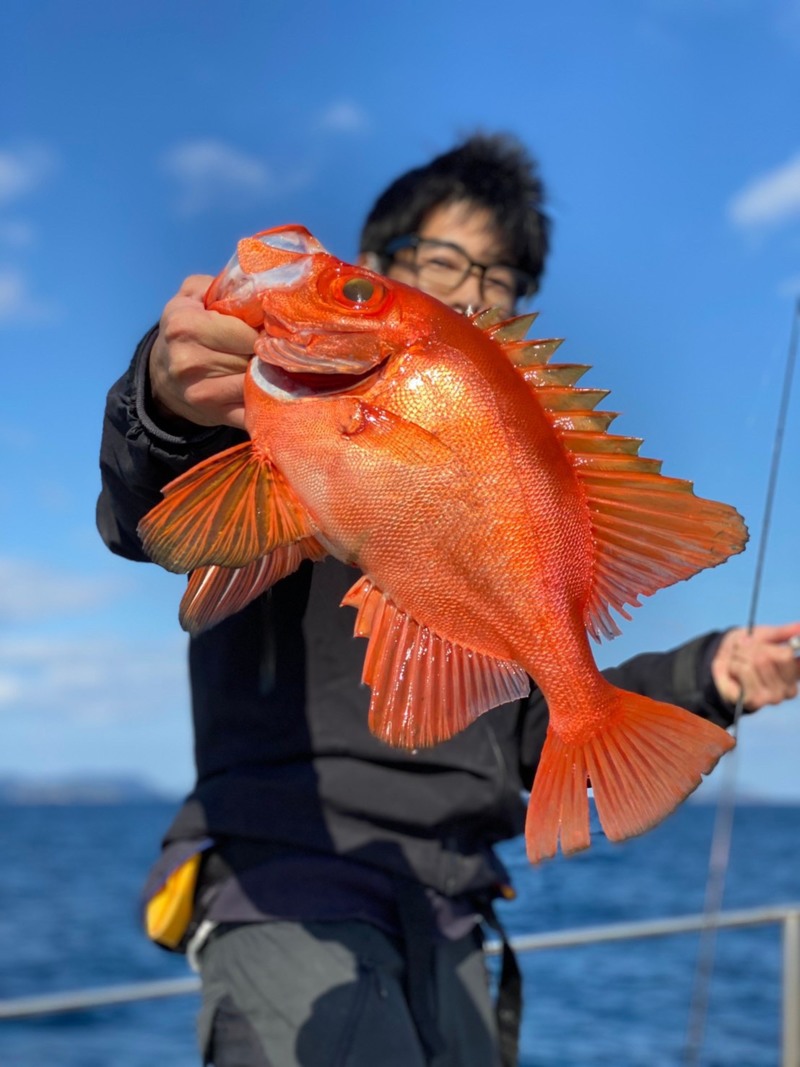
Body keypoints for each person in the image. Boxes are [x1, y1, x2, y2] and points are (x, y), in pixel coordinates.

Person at [96, 133, 800, 1067]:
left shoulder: (464, 422)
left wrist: (710, 673)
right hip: (289, 879)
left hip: (458, 911)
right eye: (439, 261)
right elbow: (147, 512)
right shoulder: (266, 432)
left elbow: (519, 722)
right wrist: (163, 400)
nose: (471, 289)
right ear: (382, 266)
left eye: (501, 276)